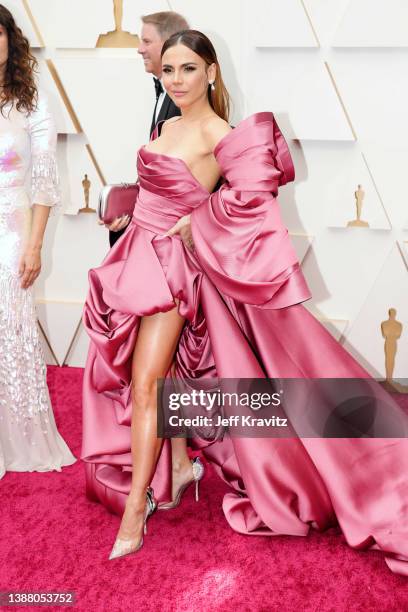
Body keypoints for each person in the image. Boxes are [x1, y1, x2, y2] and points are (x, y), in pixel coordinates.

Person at [82, 30, 408, 574]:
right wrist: (126, 207)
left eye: (189, 69)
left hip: (171, 273)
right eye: (169, 70)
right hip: (134, 259)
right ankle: (181, 466)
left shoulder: (220, 132)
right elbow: (159, 189)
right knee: (160, 379)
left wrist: (199, 222)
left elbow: (253, 197)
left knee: (145, 383)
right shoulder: (166, 125)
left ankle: (136, 507)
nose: (178, 80)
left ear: (211, 71)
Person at [0, 5, 75, 478]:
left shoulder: (31, 103)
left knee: (9, 325)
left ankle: (16, 437)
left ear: (10, 40)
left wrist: (33, 246)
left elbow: (45, 181)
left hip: (11, 228)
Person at [108, 11, 189, 248]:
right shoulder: (164, 95)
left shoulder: (187, 102)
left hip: (171, 237)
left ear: (170, 43)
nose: (139, 49)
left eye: (146, 41)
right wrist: (127, 208)